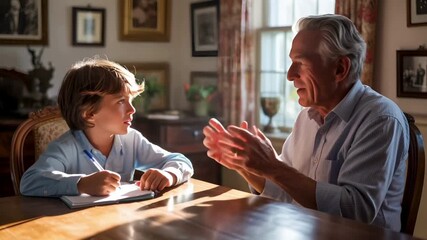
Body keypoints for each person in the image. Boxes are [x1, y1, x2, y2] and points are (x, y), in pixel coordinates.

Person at [203, 14, 409, 231]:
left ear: (340, 68)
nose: (290, 75)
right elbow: (286, 190)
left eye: (300, 63)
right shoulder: (306, 117)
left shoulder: (380, 119)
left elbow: (355, 212)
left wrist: (272, 166)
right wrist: (248, 166)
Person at [20, 58, 194, 196]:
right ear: (89, 113)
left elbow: (181, 162)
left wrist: (169, 175)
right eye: (120, 101)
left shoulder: (132, 140)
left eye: (130, 101)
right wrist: (81, 184)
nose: (132, 110)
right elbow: (30, 181)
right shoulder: (66, 147)